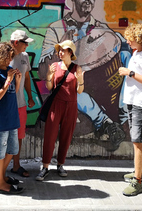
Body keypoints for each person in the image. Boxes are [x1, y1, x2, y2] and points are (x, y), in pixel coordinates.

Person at [38, 0, 128, 151]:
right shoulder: (57, 28)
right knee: (71, 88)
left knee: (126, 51)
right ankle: (107, 123)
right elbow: (42, 70)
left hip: (99, 89)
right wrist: (60, 50)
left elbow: (119, 50)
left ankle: (124, 115)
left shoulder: (102, 29)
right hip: (72, 88)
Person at [36, 40, 84, 181]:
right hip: (56, 105)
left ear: (71, 52)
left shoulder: (77, 68)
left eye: (63, 50)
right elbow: (50, 87)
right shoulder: (55, 66)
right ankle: (45, 167)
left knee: (66, 136)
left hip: (71, 106)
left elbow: (80, 91)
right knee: (50, 136)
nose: (60, 53)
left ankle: (60, 164)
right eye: (59, 50)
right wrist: (49, 76)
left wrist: (80, 80)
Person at [118, 24, 142, 196]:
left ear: (138, 39)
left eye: (130, 38)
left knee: (136, 140)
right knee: (140, 138)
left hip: (141, 102)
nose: (127, 41)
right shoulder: (136, 53)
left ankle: (137, 181)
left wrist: (130, 73)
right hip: (132, 101)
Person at [0, 42, 25, 194]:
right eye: (8, 57)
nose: (10, 60)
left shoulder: (9, 70)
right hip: (1, 119)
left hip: (12, 117)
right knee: (0, 151)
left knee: (13, 149)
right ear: (1, 57)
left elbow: (13, 92)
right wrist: (8, 81)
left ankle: (0, 176)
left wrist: (17, 81)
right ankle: (0, 183)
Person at [9, 30, 36, 177]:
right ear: (15, 43)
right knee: (4, 137)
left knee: (19, 136)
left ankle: (16, 166)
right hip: (7, 106)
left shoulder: (25, 56)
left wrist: (30, 97)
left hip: (21, 104)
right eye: (25, 43)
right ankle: (0, 166)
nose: (27, 45)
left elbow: (27, 77)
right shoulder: (3, 57)